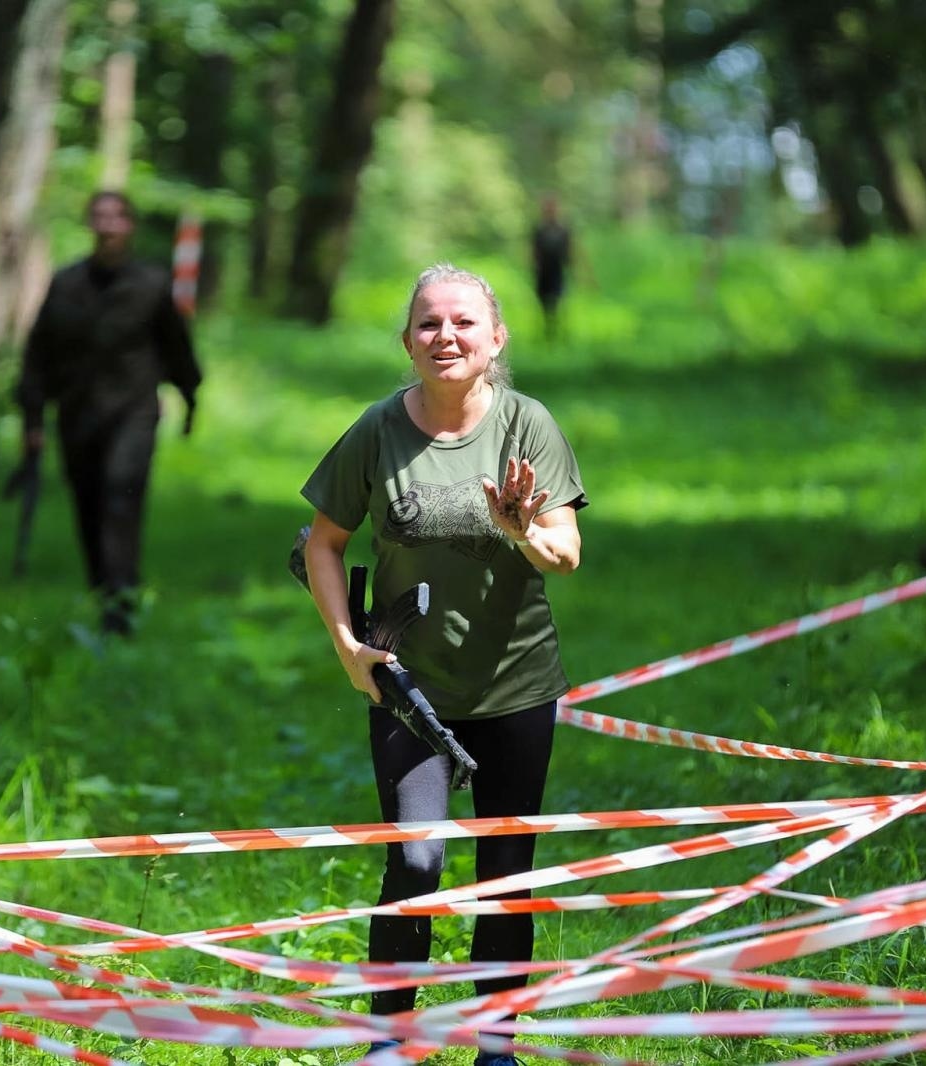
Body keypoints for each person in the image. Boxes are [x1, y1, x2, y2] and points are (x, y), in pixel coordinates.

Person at [300, 264, 586, 1064]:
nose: (445, 336)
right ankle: (390, 1045)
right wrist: (347, 646)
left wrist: (520, 526)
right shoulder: (377, 429)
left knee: (504, 871)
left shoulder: (528, 425)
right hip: (406, 688)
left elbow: (565, 554)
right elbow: (323, 541)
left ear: (495, 339)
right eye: (428, 323)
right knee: (417, 862)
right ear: (407, 341)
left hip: (516, 688)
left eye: (464, 322)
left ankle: (496, 1046)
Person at [16, 190, 201, 635]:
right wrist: (33, 417)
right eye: (99, 216)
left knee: (121, 497)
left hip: (133, 413)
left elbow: (177, 349)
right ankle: (105, 589)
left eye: (117, 217)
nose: (108, 224)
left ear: (129, 226)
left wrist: (190, 397)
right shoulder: (65, 284)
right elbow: (38, 353)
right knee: (88, 503)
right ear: (89, 224)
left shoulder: (152, 285)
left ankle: (120, 603)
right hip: (77, 413)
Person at [530, 195, 573, 339]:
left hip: (557, 271)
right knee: (543, 303)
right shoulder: (539, 231)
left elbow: (571, 251)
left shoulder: (563, 230)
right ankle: (548, 330)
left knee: (557, 301)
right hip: (543, 272)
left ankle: (559, 331)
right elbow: (533, 251)